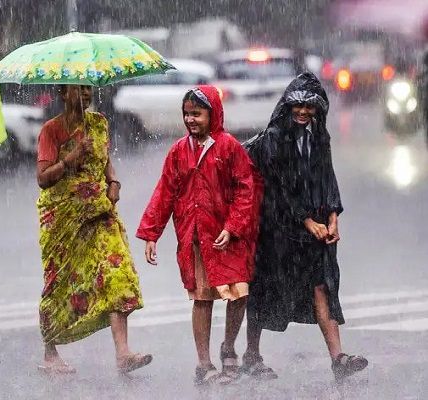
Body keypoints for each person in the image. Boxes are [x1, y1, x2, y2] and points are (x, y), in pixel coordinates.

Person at [243, 72, 368, 381]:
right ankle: (251, 354)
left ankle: (338, 358)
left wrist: (333, 215)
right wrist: (306, 220)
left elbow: (327, 177)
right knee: (264, 289)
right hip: (277, 230)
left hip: (313, 230)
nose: (302, 112)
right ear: (287, 106)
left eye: (309, 107)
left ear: (317, 109)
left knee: (321, 287)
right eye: (296, 106)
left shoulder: (318, 136)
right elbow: (279, 186)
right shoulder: (274, 139)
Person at [136, 86, 261, 385]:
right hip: (196, 238)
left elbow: (246, 190)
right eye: (187, 114)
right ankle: (204, 364)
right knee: (202, 298)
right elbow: (165, 193)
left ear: (213, 114)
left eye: (197, 113)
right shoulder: (179, 151)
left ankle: (228, 346)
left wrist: (232, 227)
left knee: (238, 294)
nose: (191, 120)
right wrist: (152, 234)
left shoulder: (229, 147)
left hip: (229, 238)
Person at [36, 84, 151, 374]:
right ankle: (50, 354)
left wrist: (114, 183)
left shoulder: (99, 123)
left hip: (100, 212)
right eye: (78, 89)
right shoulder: (52, 130)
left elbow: (106, 163)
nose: (85, 94)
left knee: (116, 273)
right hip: (64, 218)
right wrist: (71, 158)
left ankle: (123, 353)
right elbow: (43, 178)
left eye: (88, 89)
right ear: (63, 94)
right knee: (60, 282)